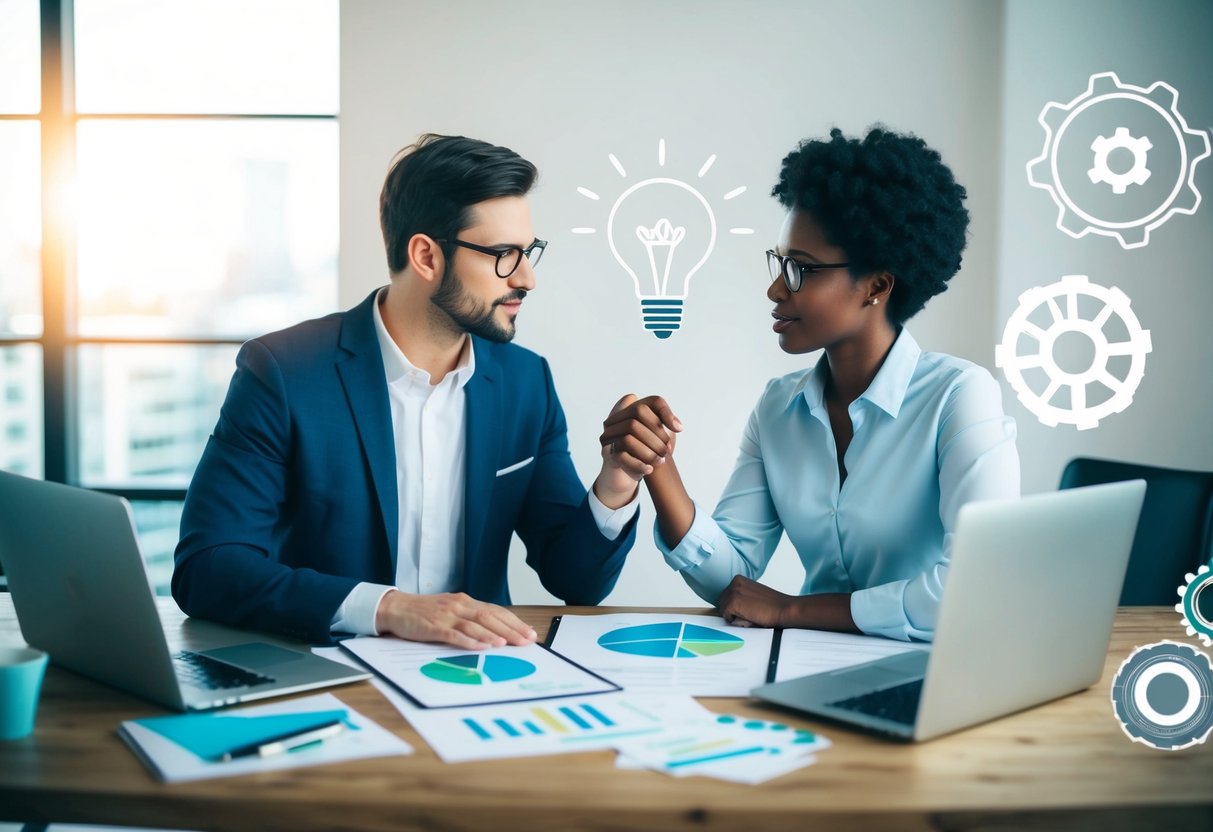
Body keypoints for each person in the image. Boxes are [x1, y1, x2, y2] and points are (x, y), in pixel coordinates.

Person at [174, 134, 643, 648]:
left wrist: (615, 484)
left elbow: (575, 582)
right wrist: (388, 608)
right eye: (504, 255)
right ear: (426, 256)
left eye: (528, 252)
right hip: (326, 674)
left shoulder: (526, 382)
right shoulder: (283, 372)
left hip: (480, 676)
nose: (528, 278)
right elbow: (209, 568)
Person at [601, 127, 1020, 641]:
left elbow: (977, 586)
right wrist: (658, 464)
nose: (775, 288)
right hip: (811, 668)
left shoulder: (959, 396)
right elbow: (731, 578)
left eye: (801, 269)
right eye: (780, 264)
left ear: (877, 285)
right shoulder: (779, 408)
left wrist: (796, 611)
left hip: (937, 676)